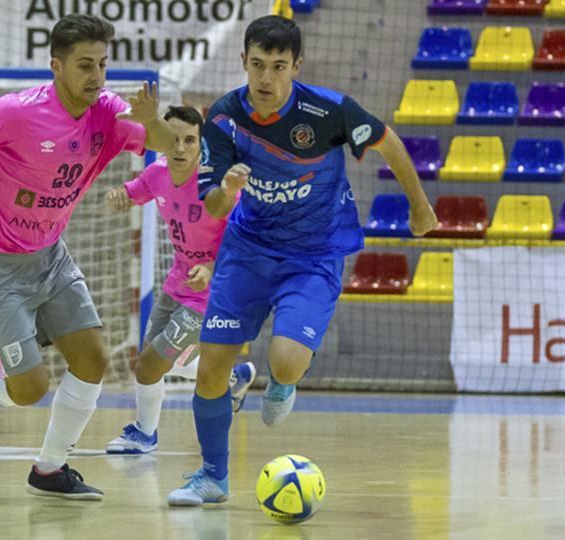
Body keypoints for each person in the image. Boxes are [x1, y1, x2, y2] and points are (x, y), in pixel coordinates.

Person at [0, 14, 176, 500]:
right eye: (85, 65)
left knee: (93, 359)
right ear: (55, 66)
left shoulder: (109, 111)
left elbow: (167, 145)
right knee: (29, 389)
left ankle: (49, 469)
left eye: (103, 65)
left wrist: (151, 122)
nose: (97, 77)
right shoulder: (14, 112)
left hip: (51, 258)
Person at [167, 15, 438, 506]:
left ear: (297, 66)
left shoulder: (328, 110)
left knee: (286, 363)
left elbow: (388, 142)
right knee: (210, 370)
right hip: (248, 250)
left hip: (313, 254)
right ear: (242, 62)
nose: (266, 78)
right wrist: (227, 191)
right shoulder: (225, 117)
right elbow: (212, 204)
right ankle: (212, 477)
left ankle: (282, 386)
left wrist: (420, 206)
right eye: (256, 65)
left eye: (277, 66)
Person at [102, 106, 256, 455]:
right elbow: (135, 189)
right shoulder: (157, 173)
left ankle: (144, 433)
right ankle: (234, 378)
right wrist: (119, 197)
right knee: (172, 363)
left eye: (190, 140)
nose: (181, 147)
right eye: (173, 139)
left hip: (211, 294)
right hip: (176, 284)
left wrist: (213, 269)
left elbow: (244, 241)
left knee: (150, 364)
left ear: (202, 144)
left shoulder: (215, 187)